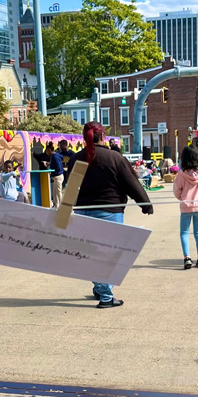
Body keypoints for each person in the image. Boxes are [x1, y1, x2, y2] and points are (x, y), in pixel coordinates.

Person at [69, 121, 153, 308]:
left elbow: (71, 187)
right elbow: (130, 182)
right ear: (104, 136)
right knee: (109, 255)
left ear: (84, 137)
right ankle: (106, 296)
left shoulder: (77, 158)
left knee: (92, 253)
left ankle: (100, 287)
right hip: (109, 211)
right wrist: (145, 204)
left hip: (83, 211)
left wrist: (65, 211)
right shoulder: (114, 157)